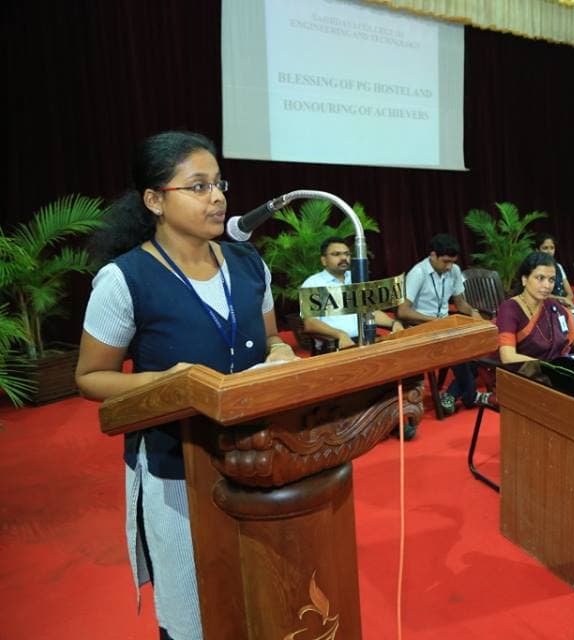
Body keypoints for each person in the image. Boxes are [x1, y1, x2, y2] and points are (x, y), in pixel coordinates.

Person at [75, 131, 299, 640]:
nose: (217, 197)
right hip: (177, 466)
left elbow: (270, 338)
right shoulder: (124, 278)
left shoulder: (249, 264)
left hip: (259, 454)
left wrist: (282, 352)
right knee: (194, 613)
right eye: (198, 186)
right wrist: (170, 383)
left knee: (259, 598)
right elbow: (89, 377)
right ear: (155, 200)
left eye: (219, 184)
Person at [397, 233, 489, 414]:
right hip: (421, 328)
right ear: (433, 255)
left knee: (478, 351)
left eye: (452, 262)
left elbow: (460, 303)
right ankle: (470, 397)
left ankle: (451, 395)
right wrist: (436, 322)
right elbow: (403, 311)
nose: (449, 267)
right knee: (461, 352)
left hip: (446, 327)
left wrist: (473, 312)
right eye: (445, 261)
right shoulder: (418, 273)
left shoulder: (454, 270)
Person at [301, 236, 403, 350]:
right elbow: (310, 324)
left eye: (347, 254)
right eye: (336, 254)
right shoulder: (312, 283)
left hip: (367, 340)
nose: (343, 258)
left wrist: (393, 323)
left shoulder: (357, 277)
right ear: (324, 260)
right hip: (336, 346)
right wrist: (340, 334)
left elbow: (369, 311)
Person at [496, 252, 574, 363]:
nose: (547, 285)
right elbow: (508, 357)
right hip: (526, 371)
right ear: (524, 279)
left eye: (551, 280)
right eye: (540, 278)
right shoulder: (510, 309)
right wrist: (547, 368)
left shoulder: (553, 307)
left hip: (559, 368)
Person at [533, 232, 574, 308]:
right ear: (537, 250)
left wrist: (566, 302)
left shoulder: (558, 266)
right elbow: (538, 293)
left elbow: (570, 293)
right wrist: (561, 300)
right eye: (545, 248)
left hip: (562, 306)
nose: (549, 252)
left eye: (552, 248)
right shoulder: (534, 269)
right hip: (544, 306)